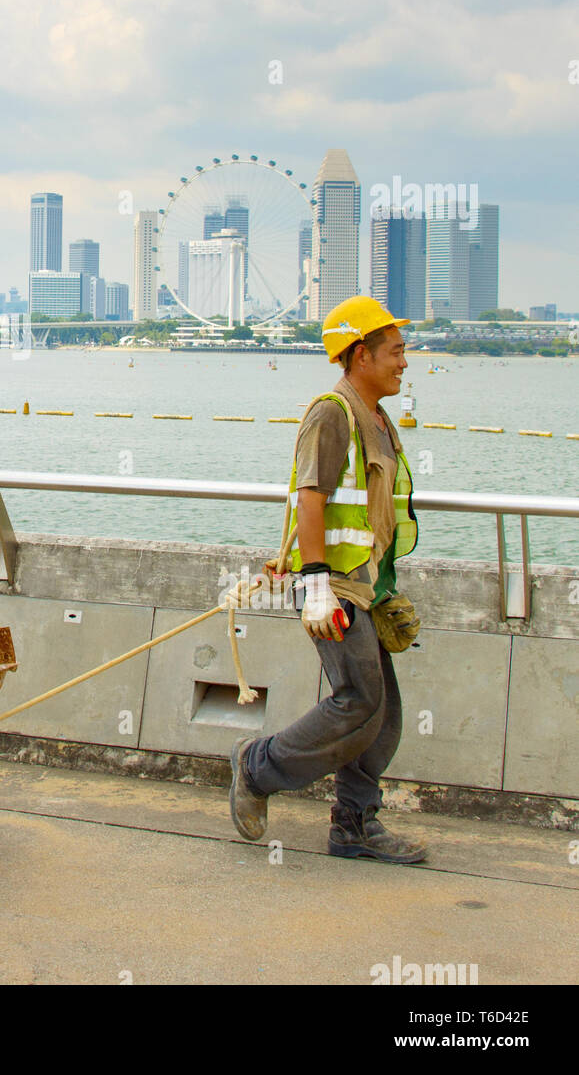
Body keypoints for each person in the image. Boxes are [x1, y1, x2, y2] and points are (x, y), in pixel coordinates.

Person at [229, 295, 427, 863]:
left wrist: (382, 585)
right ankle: (256, 766)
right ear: (360, 354)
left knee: (382, 714)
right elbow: (309, 498)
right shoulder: (333, 412)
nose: (404, 363)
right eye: (395, 352)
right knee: (358, 700)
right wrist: (314, 585)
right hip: (332, 585)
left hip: (365, 585)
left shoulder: (377, 416)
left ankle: (354, 826)